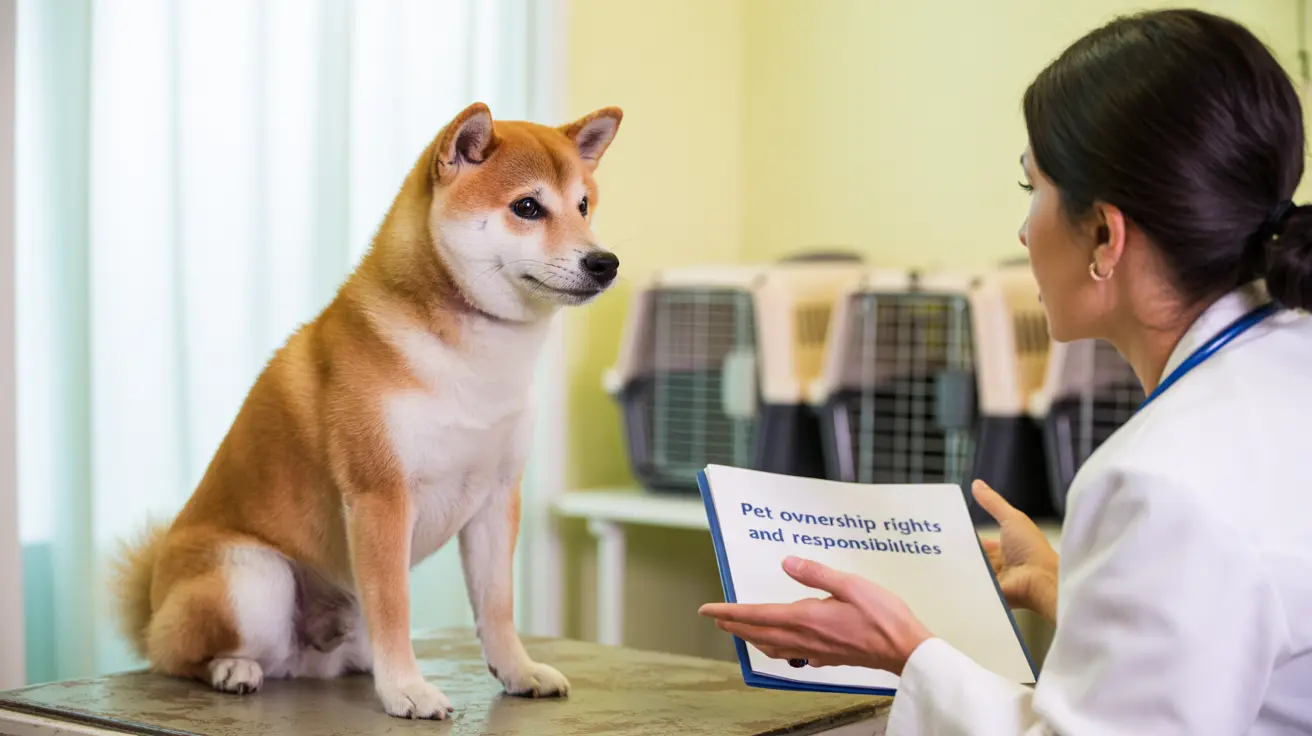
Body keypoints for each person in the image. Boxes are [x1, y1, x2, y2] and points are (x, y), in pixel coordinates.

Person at [698, 9, 1312, 734]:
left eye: (1034, 190)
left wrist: (905, 653)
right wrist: (1071, 586)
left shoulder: (1157, 483)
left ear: (1104, 235)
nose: (1023, 233)